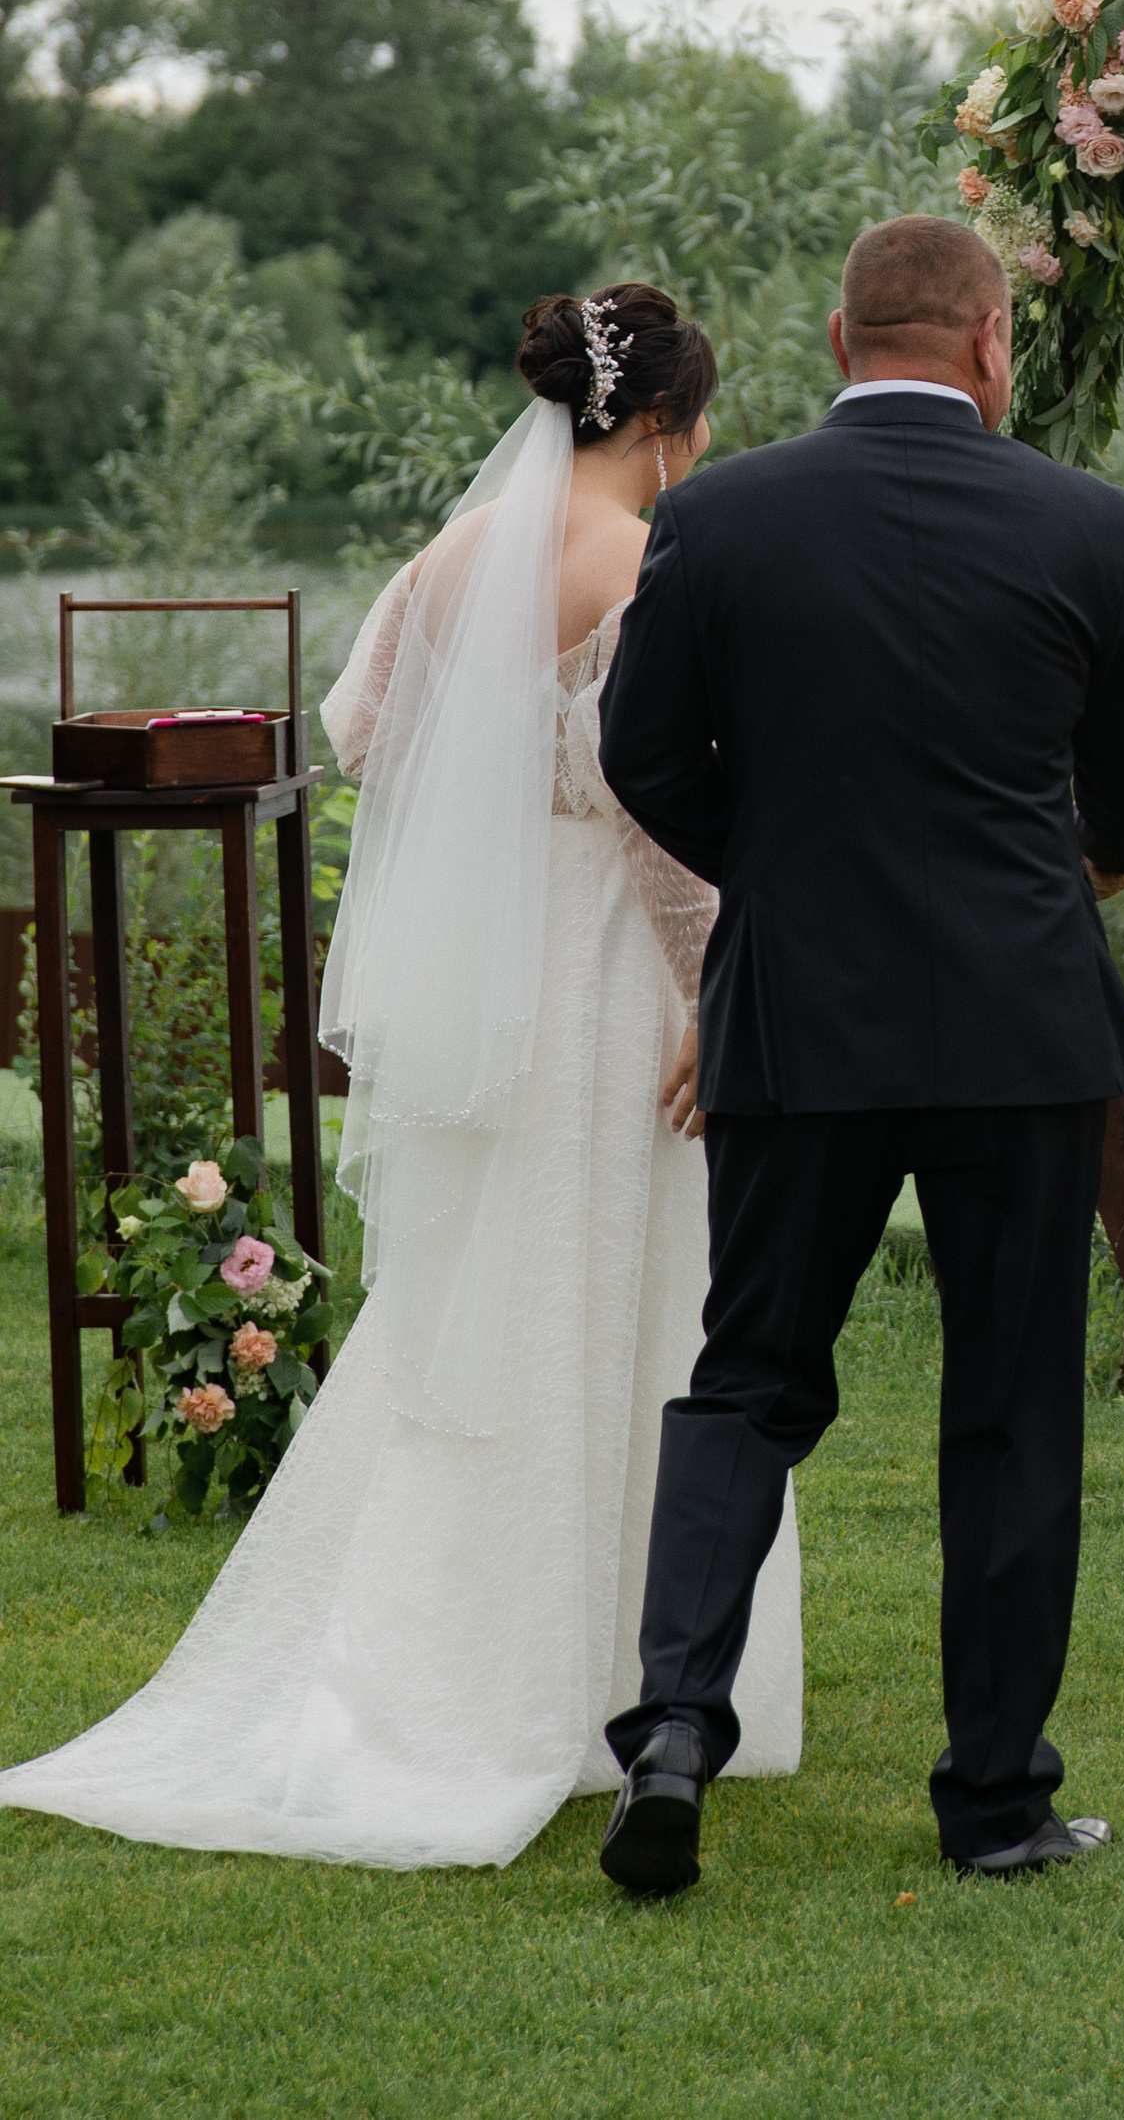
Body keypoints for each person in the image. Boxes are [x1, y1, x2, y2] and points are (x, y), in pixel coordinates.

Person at [0, 285, 800, 1869]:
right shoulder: (640, 557)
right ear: (660, 425)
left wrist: (501, 808)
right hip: (602, 975)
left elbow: (366, 732)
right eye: (698, 425)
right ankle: (568, 1684)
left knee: (488, 1305)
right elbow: (653, 806)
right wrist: (715, 990)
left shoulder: (452, 558)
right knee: (621, 1295)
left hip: (493, 980)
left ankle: (466, 1650)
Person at [593, 212, 1124, 1892]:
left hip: (801, 1013)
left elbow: (643, 755)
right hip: (1020, 1025)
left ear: (845, 343)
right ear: (993, 346)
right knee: (1009, 1410)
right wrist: (1089, 862)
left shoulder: (715, 514)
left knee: (748, 1378)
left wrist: (779, 866)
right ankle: (995, 1802)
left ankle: (678, 1736)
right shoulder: (1081, 520)